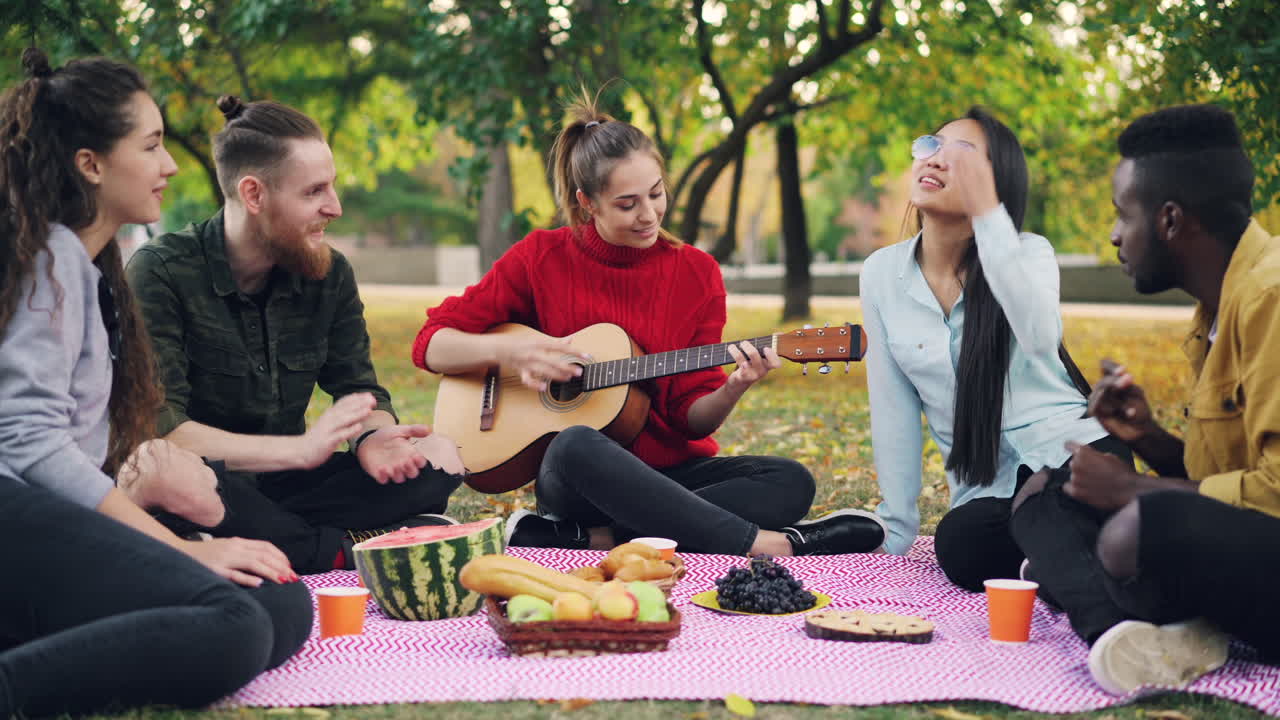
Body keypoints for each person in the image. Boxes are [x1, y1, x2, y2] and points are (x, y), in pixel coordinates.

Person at [414, 91, 884, 556]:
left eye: (656, 194)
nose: (649, 215)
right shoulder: (540, 258)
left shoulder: (697, 273)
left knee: (789, 482)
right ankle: (764, 544)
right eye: (627, 203)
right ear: (586, 203)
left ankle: (597, 539)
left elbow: (690, 418)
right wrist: (513, 353)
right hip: (580, 479)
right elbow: (432, 342)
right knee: (578, 441)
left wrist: (735, 386)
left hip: (669, 475)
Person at [0, 48, 310, 717]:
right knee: (237, 623)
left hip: (45, 527)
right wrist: (172, 546)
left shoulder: (89, 263)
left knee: (281, 597)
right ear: (91, 164)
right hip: (13, 517)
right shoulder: (51, 258)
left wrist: (170, 530)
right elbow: (27, 442)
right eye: (152, 145)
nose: (170, 165)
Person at [125, 96, 467, 574]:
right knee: (171, 479)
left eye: (332, 187)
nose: (336, 207)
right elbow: (166, 433)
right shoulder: (160, 272)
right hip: (210, 482)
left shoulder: (330, 273)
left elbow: (360, 387)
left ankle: (288, 539)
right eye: (314, 192)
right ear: (254, 194)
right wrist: (300, 452)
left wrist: (374, 439)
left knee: (439, 458)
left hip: (291, 484)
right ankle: (338, 551)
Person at [1011, 104, 1280, 695]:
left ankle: (1107, 614)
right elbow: (1227, 483)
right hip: (1245, 549)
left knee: (1139, 526)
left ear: (1170, 220)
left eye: (1122, 216)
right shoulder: (1214, 312)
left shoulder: (1271, 298)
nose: (1113, 236)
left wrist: (1134, 488)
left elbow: (1274, 496)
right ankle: (1149, 625)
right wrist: (1147, 439)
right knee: (1038, 496)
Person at [859, 107, 1132, 590]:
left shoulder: (1028, 253)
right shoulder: (881, 274)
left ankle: (1095, 600)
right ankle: (1067, 568)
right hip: (991, 491)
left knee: (1050, 507)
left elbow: (1040, 336)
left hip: (1074, 456)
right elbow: (892, 406)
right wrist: (897, 528)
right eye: (932, 145)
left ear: (996, 184)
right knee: (961, 544)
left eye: (963, 156)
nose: (938, 160)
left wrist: (988, 217)